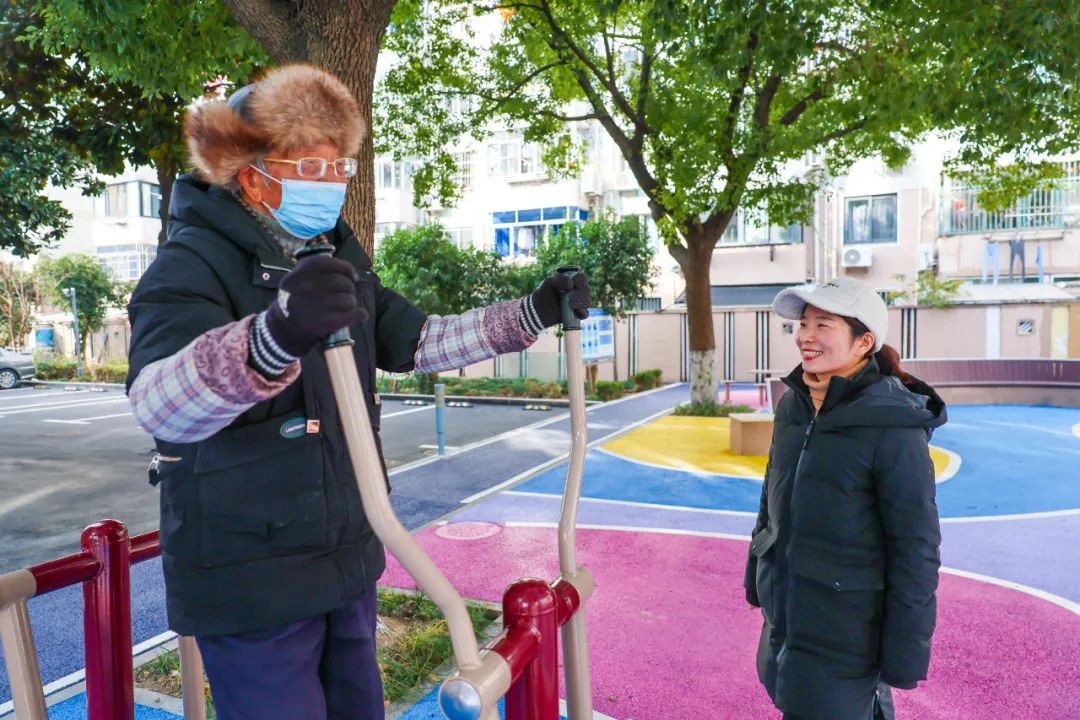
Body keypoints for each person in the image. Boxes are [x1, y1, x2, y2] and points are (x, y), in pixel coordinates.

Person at [124, 63, 590, 720]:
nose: (328, 185)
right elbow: (158, 400)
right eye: (306, 168)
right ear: (252, 173)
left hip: (345, 559)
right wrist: (271, 337)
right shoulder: (192, 262)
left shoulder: (333, 258)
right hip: (250, 578)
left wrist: (531, 313)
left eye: (335, 168)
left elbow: (419, 340)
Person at [744, 277, 945, 720]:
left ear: (863, 342)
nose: (806, 336)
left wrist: (905, 652)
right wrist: (756, 568)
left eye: (824, 324)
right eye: (803, 323)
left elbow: (916, 547)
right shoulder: (794, 405)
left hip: (848, 632)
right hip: (788, 614)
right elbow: (772, 493)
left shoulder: (893, 427)